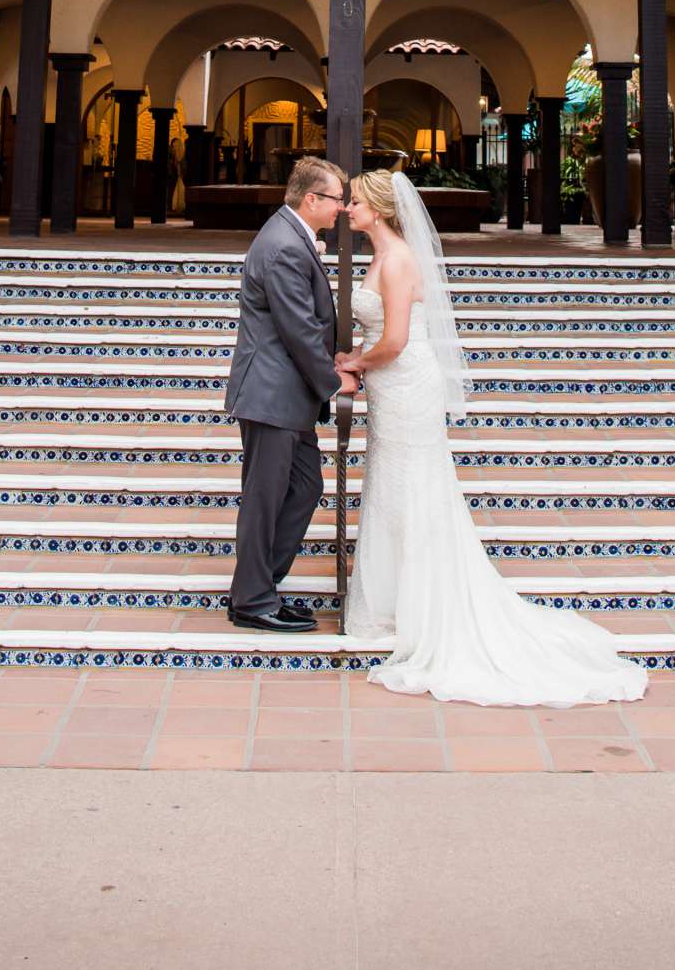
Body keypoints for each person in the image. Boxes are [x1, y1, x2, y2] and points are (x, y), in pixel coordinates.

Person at [339, 166, 648, 707]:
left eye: (356, 202)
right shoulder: (381, 255)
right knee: (390, 489)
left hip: (405, 381)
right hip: (392, 387)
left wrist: (356, 362)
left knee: (413, 488)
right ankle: (391, 600)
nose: (348, 209)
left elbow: (393, 340)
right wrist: (360, 361)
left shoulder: (398, 259)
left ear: (380, 208)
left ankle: (420, 605)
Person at [223, 156, 358, 632]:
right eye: (337, 199)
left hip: (288, 396)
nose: (342, 208)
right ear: (312, 199)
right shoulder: (283, 245)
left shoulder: (292, 236)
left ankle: (260, 584)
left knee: (305, 486)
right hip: (271, 393)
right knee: (265, 496)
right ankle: (253, 600)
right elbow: (298, 327)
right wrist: (332, 379)